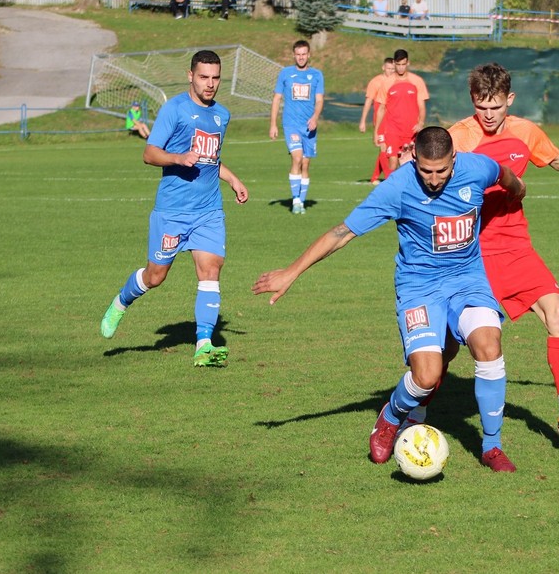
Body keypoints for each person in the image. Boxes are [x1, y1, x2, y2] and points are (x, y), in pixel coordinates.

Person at [252, 127, 527, 472]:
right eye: (426, 170)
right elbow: (342, 233)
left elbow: (504, 174)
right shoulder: (397, 187)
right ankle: (391, 415)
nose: (434, 179)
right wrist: (292, 271)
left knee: (489, 346)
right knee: (426, 377)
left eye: (442, 170)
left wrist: (517, 191)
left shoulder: (478, 167)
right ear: (414, 158)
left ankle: (492, 446)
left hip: (467, 280)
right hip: (419, 286)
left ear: (454, 159)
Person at [404, 62, 559, 440]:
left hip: (516, 246)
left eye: (496, 106)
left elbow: (558, 159)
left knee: (557, 312)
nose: (489, 114)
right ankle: (416, 409)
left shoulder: (526, 132)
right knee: (447, 348)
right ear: (472, 101)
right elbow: (426, 174)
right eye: (481, 106)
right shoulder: (460, 137)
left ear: (509, 100)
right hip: (471, 255)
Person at [100, 50, 250, 367]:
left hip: (209, 211)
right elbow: (150, 153)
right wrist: (178, 158)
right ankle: (121, 301)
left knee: (211, 270)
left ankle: (204, 345)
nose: (210, 84)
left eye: (215, 78)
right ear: (190, 76)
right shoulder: (175, 110)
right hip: (172, 211)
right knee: (156, 277)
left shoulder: (222, 115)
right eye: (204, 77)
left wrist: (233, 179)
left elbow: (212, 159)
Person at [269, 40, 325, 215]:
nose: (301, 57)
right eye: (298, 54)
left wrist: (315, 117)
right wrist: (273, 124)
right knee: (297, 159)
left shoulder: (317, 75)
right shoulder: (285, 74)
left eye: (304, 54)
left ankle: (301, 200)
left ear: (309, 55)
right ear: (294, 55)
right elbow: (277, 99)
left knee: (306, 165)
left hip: (309, 127)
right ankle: (295, 200)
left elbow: (320, 100)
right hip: (291, 124)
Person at [374, 49, 428, 176]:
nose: (401, 68)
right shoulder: (387, 83)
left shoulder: (417, 81)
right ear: (394, 63)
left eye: (403, 64)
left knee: (409, 162)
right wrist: (376, 132)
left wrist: (421, 122)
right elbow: (381, 108)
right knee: (392, 161)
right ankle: (393, 191)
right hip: (393, 129)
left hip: (411, 130)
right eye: (398, 65)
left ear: (408, 63)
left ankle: (408, 188)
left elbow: (422, 106)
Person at [358, 57, 396, 184]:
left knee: (388, 148)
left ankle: (375, 177)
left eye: (393, 68)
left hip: (393, 120)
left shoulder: (396, 80)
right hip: (381, 120)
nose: (391, 71)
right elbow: (369, 101)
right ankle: (389, 177)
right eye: (389, 68)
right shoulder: (376, 82)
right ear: (383, 68)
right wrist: (363, 120)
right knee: (384, 147)